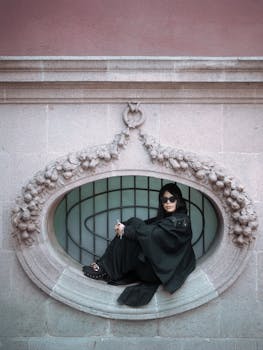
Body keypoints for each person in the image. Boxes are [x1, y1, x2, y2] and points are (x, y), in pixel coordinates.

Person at [82, 182, 196, 307]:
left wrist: (126, 230)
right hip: (157, 270)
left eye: (172, 199)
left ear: (178, 200)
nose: (168, 202)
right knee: (133, 224)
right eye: (164, 199)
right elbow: (147, 228)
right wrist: (126, 227)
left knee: (134, 227)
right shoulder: (167, 219)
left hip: (158, 274)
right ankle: (105, 268)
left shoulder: (181, 221)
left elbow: (153, 234)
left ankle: (104, 269)